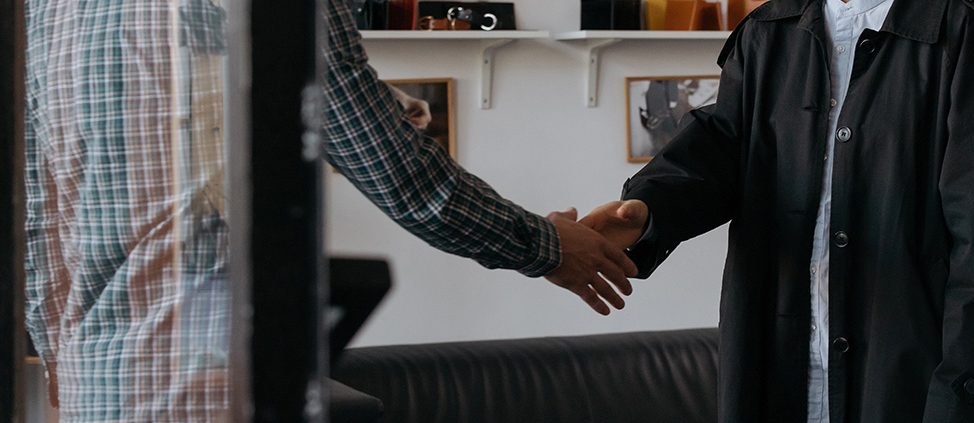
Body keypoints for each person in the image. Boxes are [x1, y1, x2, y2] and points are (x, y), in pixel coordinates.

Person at [23, 0, 634, 421]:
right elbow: (402, 176)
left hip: (95, 387)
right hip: (217, 382)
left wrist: (60, 352)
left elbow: (35, 206)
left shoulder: (48, 10)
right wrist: (548, 246)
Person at [583, 0, 974, 422]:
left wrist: (964, 399)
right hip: (779, 369)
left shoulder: (954, 30)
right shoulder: (767, 30)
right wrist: (644, 209)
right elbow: (721, 148)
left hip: (902, 376)